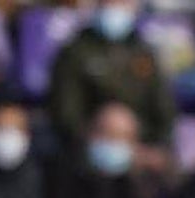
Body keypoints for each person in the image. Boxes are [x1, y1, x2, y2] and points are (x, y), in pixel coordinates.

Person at [47, 0, 174, 171]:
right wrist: (99, 134)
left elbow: (164, 110)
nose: (116, 7)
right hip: (84, 151)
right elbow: (65, 112)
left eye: (123, 3)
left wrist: (138, 140)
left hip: (139, 148)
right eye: (111, 2)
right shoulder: (75, 52)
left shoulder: (145, 52)